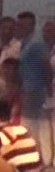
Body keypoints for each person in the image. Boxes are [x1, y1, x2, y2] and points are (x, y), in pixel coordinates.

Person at [22, 20, 55, 150]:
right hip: (37, 90)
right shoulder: (41, 46)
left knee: (42, 125)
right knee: (39, 125)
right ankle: (37, 151)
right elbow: (46, 67)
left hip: (38, 89)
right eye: (46, 31)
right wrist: (50, 92)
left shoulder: (41, 46)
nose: (48, 34)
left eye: (51, 31)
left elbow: (46, 67)